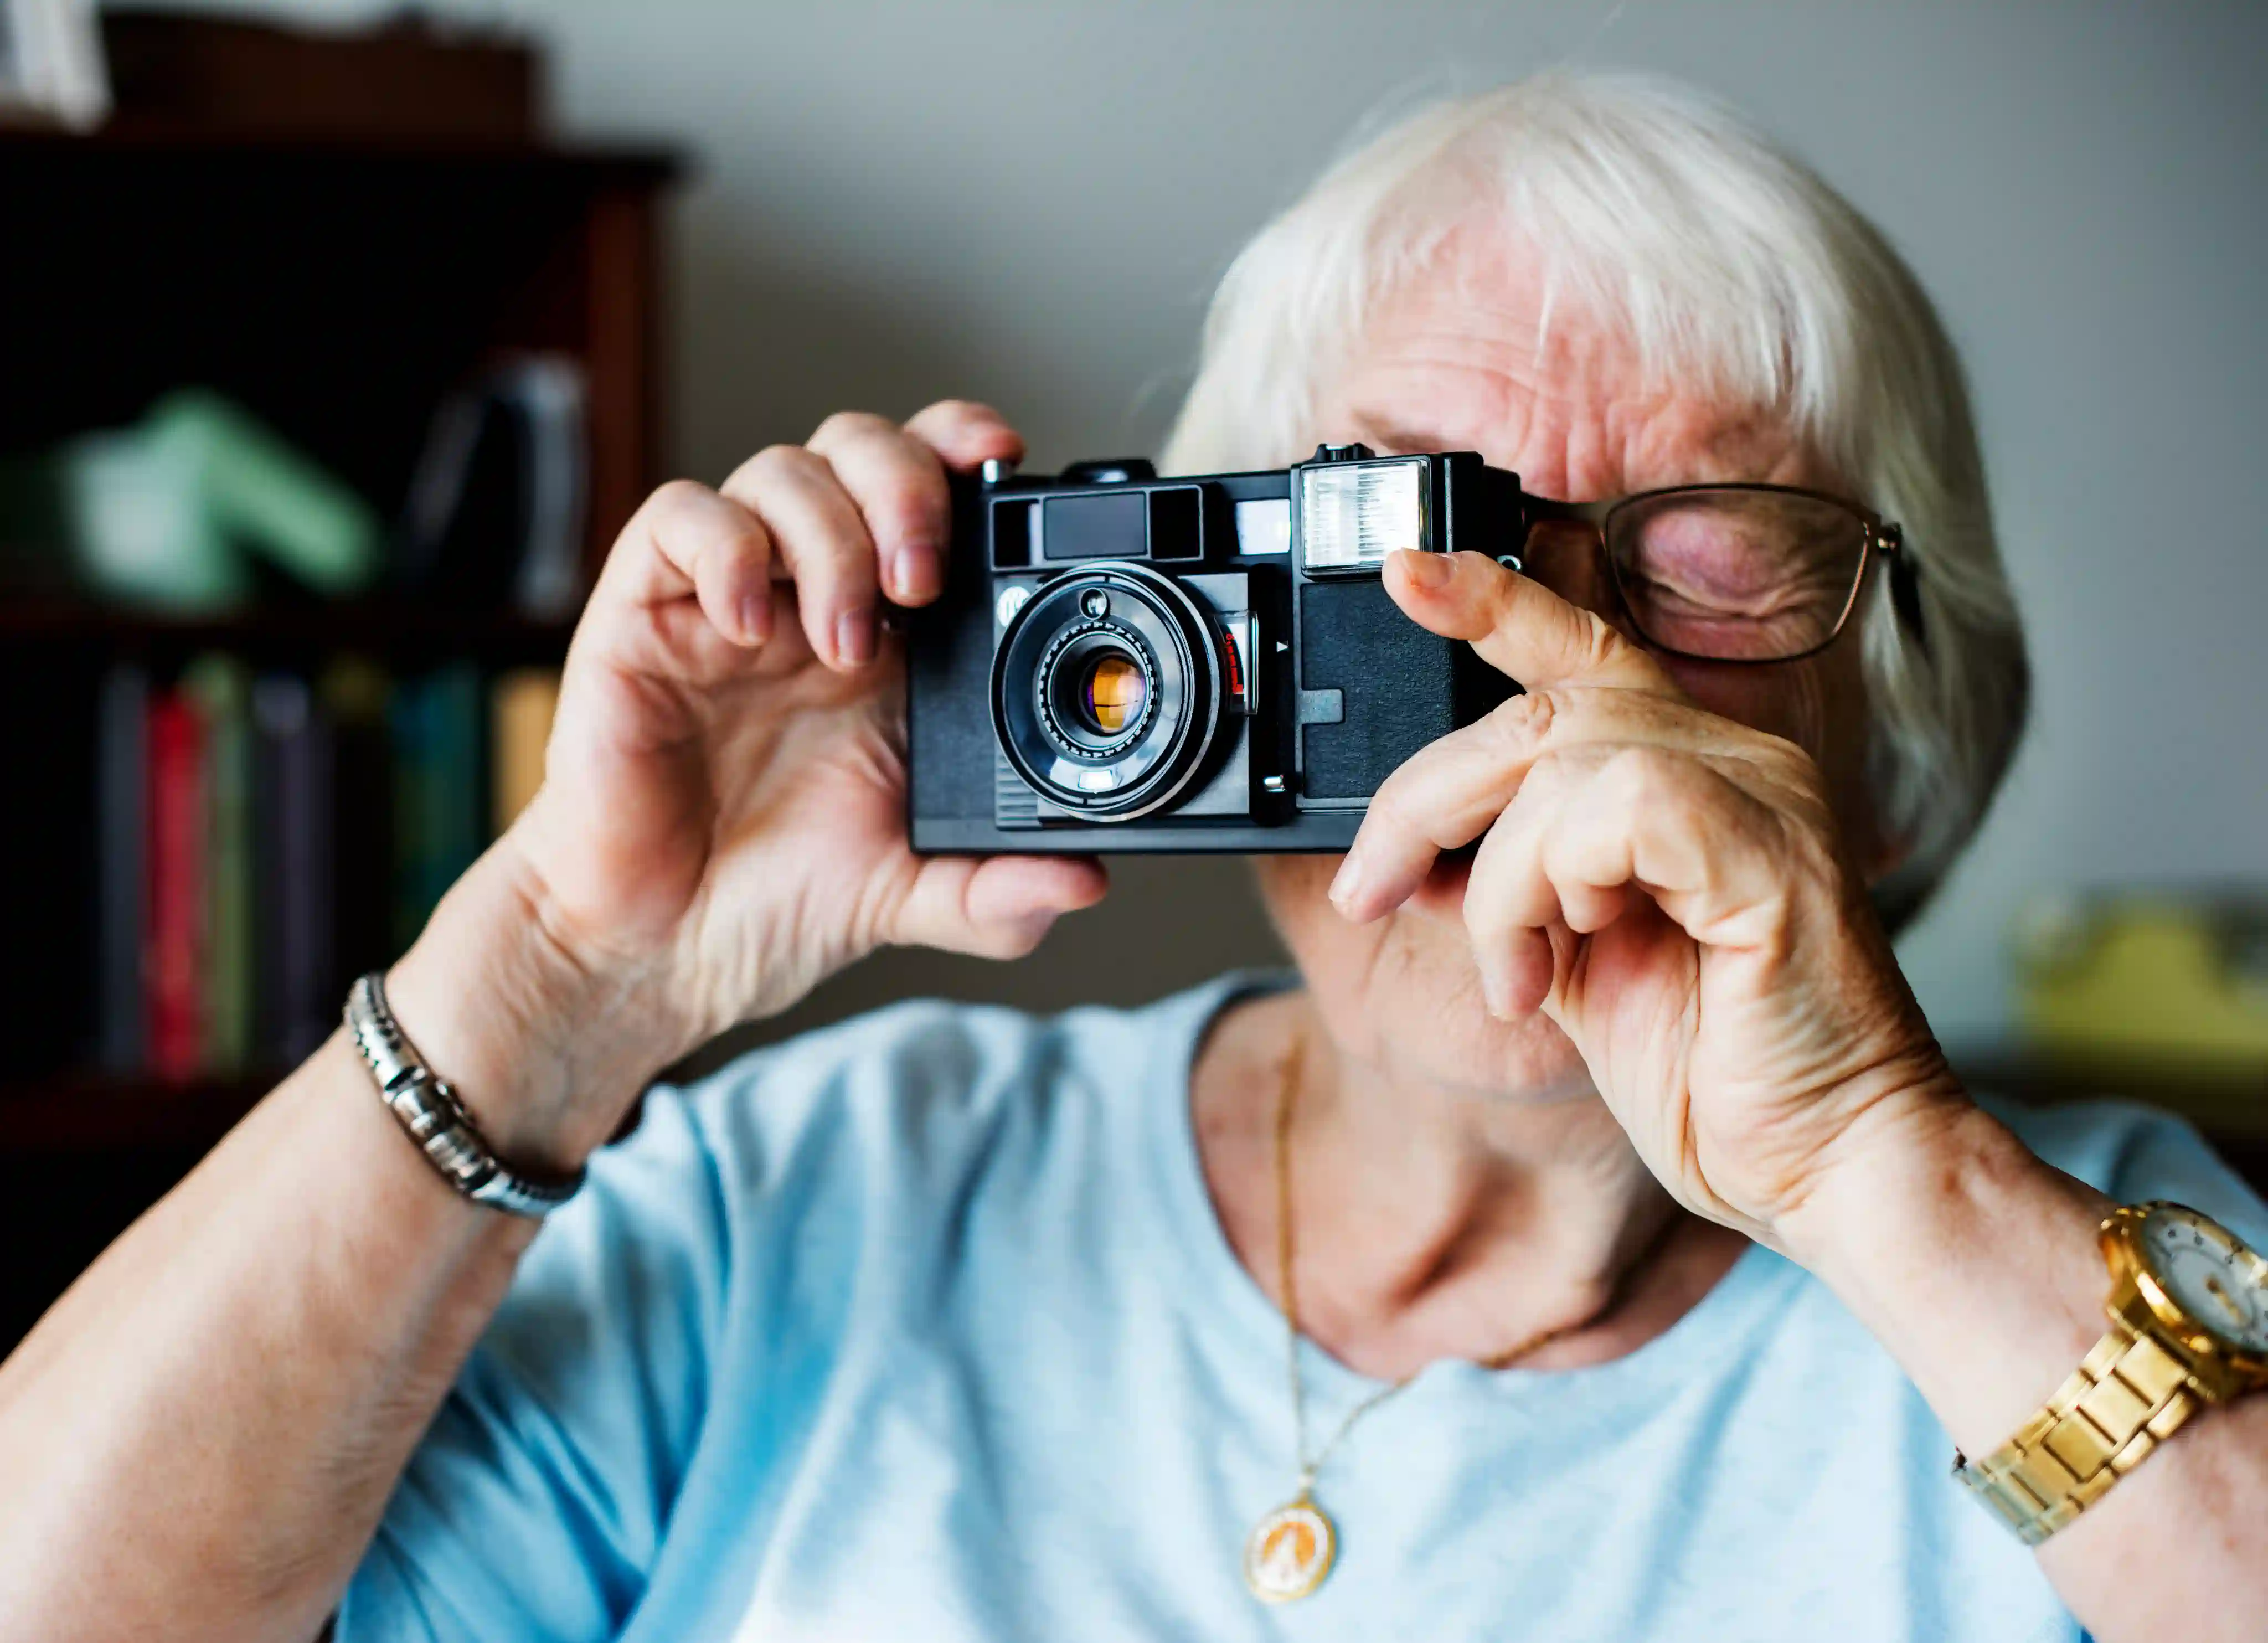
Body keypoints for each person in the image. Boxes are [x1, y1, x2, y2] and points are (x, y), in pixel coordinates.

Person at [2, 71, 2264, 1643]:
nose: (1544, 676)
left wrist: (1877, 1163)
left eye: (1700, 560)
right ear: (1189, 644)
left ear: (1898, 733)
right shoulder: (837, 1188)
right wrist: (554, 972)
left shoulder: (2076, 1271)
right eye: (1398, 543)